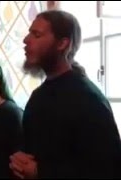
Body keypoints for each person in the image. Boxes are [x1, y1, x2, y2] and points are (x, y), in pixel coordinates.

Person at [9, 10, 121, 179]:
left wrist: (41, 172)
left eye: (36, 35)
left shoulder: (89, 99)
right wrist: (19, 160)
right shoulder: (37, 97)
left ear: (62, 44)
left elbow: (106, 169)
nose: (26, 40)